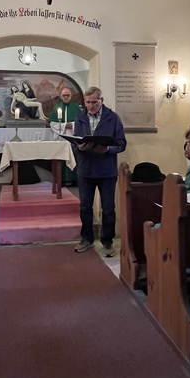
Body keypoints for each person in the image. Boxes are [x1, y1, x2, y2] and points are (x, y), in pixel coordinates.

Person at [73, 86, 126, 258]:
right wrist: (79, 147)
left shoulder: (112, 118)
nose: (91, 105)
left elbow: (122, 144)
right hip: (86, 169)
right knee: (85, 207)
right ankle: (87, 238)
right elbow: (75, 142)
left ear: (101, 101)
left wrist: (108, 149)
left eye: (94, 102)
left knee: (108, 208)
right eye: (88, 102)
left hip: (106, 170)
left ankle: (108, 241)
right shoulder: (80, 118)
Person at [49, 87, 82, 185]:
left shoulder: (76, 108)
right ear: (61, 96)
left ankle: (75, 180)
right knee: (61, 158)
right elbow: (52, 123)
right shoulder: (57, 108)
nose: (66, 97)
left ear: (71, 96)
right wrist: (63, 125)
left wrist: (73, 125)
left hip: (73, 137)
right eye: (64, 95)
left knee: (74, 157)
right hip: (62, 137)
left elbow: (81, 122)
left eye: (68, 95)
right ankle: (61, 180)